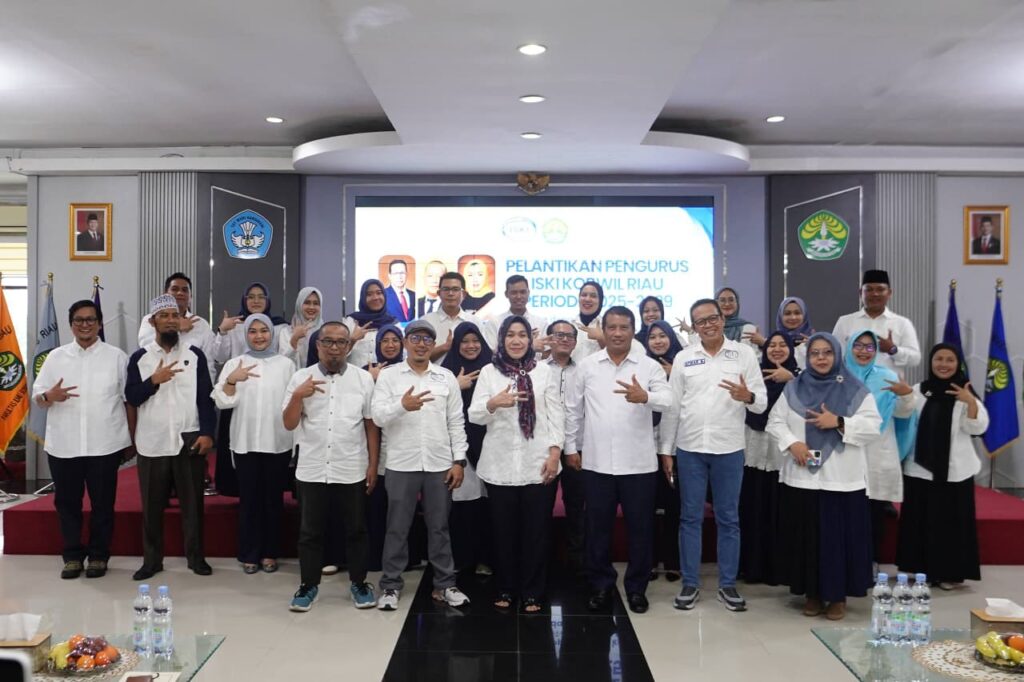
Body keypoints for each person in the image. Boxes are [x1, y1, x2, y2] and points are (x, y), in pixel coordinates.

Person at [659, 297, 767, 613]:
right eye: (701, 321)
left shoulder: (743, 354)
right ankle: (690, 583)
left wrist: (747, 396)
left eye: (712, 318)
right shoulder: (684, 358)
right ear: (694, 327)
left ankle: (727, 584)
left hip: (729, 449)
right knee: (690, 517)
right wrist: (666, 450)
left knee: (729, 518)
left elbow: (761, 402)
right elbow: (673, 407)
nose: (708, 325)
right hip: (690, 448)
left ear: (722, 319)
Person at [565, 306, 672, 614]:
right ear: (604, 330)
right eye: (611, 327)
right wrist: (571, 447)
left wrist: (646, 397)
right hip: (597, 463)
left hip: (638, 465)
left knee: (640, 530)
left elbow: (669, 401)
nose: (617, 333)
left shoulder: (649, 366)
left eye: (623, 327)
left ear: (633, 331)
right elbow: (573, 410)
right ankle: (600, 585)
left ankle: (637, 588)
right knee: (597, 529)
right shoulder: (587, 366)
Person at [766, 333, 882, 620]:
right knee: (807, 538)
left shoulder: (855, 390)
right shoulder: (794, 387)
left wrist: (839, 421)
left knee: (837, 540)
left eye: (827, 352)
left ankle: (838, 596)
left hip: (841, 479)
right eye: (815, 353)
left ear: (837, 355)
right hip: (802, 477)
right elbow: (775, 422)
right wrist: (792, 443)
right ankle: (812, 594)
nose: (820, 358)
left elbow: (872, 427)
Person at [371, 319, 471, 610]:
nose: (421, 344)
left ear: (433, 345)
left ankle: (445, 584)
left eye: (428, 339)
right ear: (405, 342)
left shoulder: (445, 377)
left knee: (439, 527)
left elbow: (456, 422)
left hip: (440, 464)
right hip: (401, 463)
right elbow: (377, 417)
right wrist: (402, 406)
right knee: (397, 527)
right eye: (415, 338)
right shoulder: (389, 377)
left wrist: (459, 460)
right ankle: (390, 585)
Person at [283, 321, 380, 612]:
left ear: (349, 346)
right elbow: (289, 423)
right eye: (328, 342)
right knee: (310, 532)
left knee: (356, 530)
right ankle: (308, 585)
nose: (334, 348)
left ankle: (359, 583)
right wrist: (298, 396)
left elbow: (371, 425)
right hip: (312, 467)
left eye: (341, 342)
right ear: (318, 345)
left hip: (351, 466)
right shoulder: (301, 377)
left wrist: (373, 465)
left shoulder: (363, 380)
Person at [469, 316, 563, 613]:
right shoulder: (489, 372)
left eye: (522, 334)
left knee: (536, 533)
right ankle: (506, 588)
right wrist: (493, 403)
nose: (517, 340)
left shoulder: (545, 371)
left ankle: (533, 592)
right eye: (510, 335)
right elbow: (474, 415)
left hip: (538, 462)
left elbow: (556, 415)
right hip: (500, 465)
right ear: (502, 339)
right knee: (503, 533)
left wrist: (555, 454)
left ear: (530, 340)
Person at [32, 300, 131, 579]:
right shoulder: (56, 357)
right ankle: (72, 556)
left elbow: (129, 400)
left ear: (99, 323)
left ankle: (99, 556)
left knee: (103, 505)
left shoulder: (117, 357)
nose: (85, 325)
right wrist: (49, 396)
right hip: (65, 445)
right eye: (79, 320)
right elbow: (38, 396)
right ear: (71, 325)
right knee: (67, 504)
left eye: (90, 319)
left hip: (105, 444)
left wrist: (131, 440)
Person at [126, 294, 217, 581]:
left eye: (174, 315)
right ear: (153, 321)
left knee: (193, 506)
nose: (169, 320)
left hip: (189, 439)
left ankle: (196, 558)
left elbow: (206, 398)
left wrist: (207, 433)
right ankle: (152, 561)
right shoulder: (140, 358)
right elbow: (131, 397)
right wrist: (153, 381)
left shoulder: (194, 354)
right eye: (163, 316)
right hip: (152, 442)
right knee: (152, 508)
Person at [893, 344, 988, 590]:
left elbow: (977, 428)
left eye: (949, 360)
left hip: (955, 471)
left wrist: (971, 403)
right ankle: (921, 570)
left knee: (950, 524)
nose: (943, 364)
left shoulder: (964, 391)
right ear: (931, 362)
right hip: (919, 468)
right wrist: (905, 396)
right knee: (920, 520)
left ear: (957, 364)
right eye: (938, 359)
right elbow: (902, 415)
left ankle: (949, 573)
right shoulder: (919, 390)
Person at [212, 314, 295, 574]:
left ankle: (270, 553)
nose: (259, 336)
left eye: (264, 331)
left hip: (277, 443)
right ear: (246, 334)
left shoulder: (286, 365)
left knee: (273, 501)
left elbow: (293, 403)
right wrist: (231, 380)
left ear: (272, 333)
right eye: (253, 331)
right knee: (249, 501)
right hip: (245, 443)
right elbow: (222, 401)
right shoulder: (235, 363)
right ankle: (249, 553)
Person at [843, 330, 915, 563]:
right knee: (845, 514)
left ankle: (870, 563)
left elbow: (903, 414)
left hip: (877, 452)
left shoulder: (887, 377)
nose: (863, 351)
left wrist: (906, 396)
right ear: (849, 348)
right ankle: (846, 565)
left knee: (874, 514)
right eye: (858, 345)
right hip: (845, 453)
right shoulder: (838, 376)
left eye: (869, 347)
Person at [739, 331, 798, 585]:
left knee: (780, 513)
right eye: (771, 345)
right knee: (753, 510)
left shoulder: (801, 379)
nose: (776, 349)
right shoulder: (755, 376)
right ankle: (751, 568)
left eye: (782, 345)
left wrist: (792, 379)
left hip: (783, 456)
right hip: (753, 450)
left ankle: (779, 570)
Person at [440, 322, 494, 577]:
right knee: (463, 508)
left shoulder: (494, 369)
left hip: (491, 447)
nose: (471, 346)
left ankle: (487, 558)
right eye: (465, 341)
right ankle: (462, 557)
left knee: (490, 507)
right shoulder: (445, 373)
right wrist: (453, 385)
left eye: (476, 341)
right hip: (459, 450)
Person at [644, 320, 684, 582]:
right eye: (653, 337)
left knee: (673, 508)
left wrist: (673, 376)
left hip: (675, 447)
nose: (658, 341)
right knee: (645, 508)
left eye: (662, 336)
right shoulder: (642, 367)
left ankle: (672, 561)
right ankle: (647, 561)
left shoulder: (683, 366)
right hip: (646, 447)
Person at [363, 324, 405, 572]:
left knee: (400, 509)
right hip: (371, 446)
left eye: (395, 340)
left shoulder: (408, 371)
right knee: (375, 506)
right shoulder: (366, 371)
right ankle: (374, 557)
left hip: (400, 447)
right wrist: (371, 380)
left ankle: (402, 558)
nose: (390, 345)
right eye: (385, 341)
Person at [545, 319, 585, 573]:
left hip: (577, 447)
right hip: (544, 448)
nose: (564, 339)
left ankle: (577, 564)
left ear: (575, 342)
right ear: (549, 339)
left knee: (576, 506)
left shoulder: (584, 370)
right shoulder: (537, 369)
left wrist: (571, 447)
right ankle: (543, 561)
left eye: (569, 336)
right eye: (558, 335)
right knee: (541, 507)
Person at [832, 270, 921, 373]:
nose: (875, 294)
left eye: (880, 289)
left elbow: (915, 359)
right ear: (861, 293)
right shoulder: (845, 322)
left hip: (888, 383)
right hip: (853, 382)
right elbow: (834, 357)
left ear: (889, 293)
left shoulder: (902, 323)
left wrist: (892, 349)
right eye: (869, 290)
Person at [137, 273, 216, 381]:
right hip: (157, 382)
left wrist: (208, 388)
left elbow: (209, 362)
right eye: (175, 289)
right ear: (165, 294)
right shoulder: (151, 320)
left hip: (190, 385)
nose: (180, 293)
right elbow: (146, 346)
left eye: (185, 290)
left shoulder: (201, 324)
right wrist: (176, 327)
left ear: (190, 296)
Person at [422, 271, 497, 363]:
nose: (450, 293)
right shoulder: (426, 322)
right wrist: (445, 347)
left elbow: (486, 354)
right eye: (446, 289)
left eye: (455, 289)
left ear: (464, 294)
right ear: (439, 293)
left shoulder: (475, 322)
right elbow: (418, 357)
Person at [343, 279, 398, 370]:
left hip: (385, 377)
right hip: (355, 376)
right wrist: (352, 340)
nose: (375, 297)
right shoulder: (352, 322)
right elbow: (337, 355)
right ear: (363, 298)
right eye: (369, 294)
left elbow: (402, 356)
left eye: (379, 293)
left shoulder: (393, 323)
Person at [279, 287, 323, 369]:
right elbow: (282, 363)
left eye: (316, 303)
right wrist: (295, 338)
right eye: (307, 302)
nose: (311, 307)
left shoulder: (325, 332)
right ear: (299, 304)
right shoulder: (286, 332)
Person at [571, 280, 606, 362]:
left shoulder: (607, 326)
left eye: (593, 296)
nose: (587, 299)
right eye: (584, 295)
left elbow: (618, 356)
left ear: (600, 300)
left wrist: (601, 339)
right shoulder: (569, 326)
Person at [775, 297, 813, 368]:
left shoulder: (814, 341)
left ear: (804, 315)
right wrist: (763, 345)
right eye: (787, 313)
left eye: (797, 313)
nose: (793, 317)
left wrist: (813, 348)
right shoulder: (773, 342)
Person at [384, 259, 416, 323]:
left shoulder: (414, 295)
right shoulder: (383, 295)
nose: (399, 276)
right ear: (389, 276)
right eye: (396, 273)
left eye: (402, 273)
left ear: (406, 274)